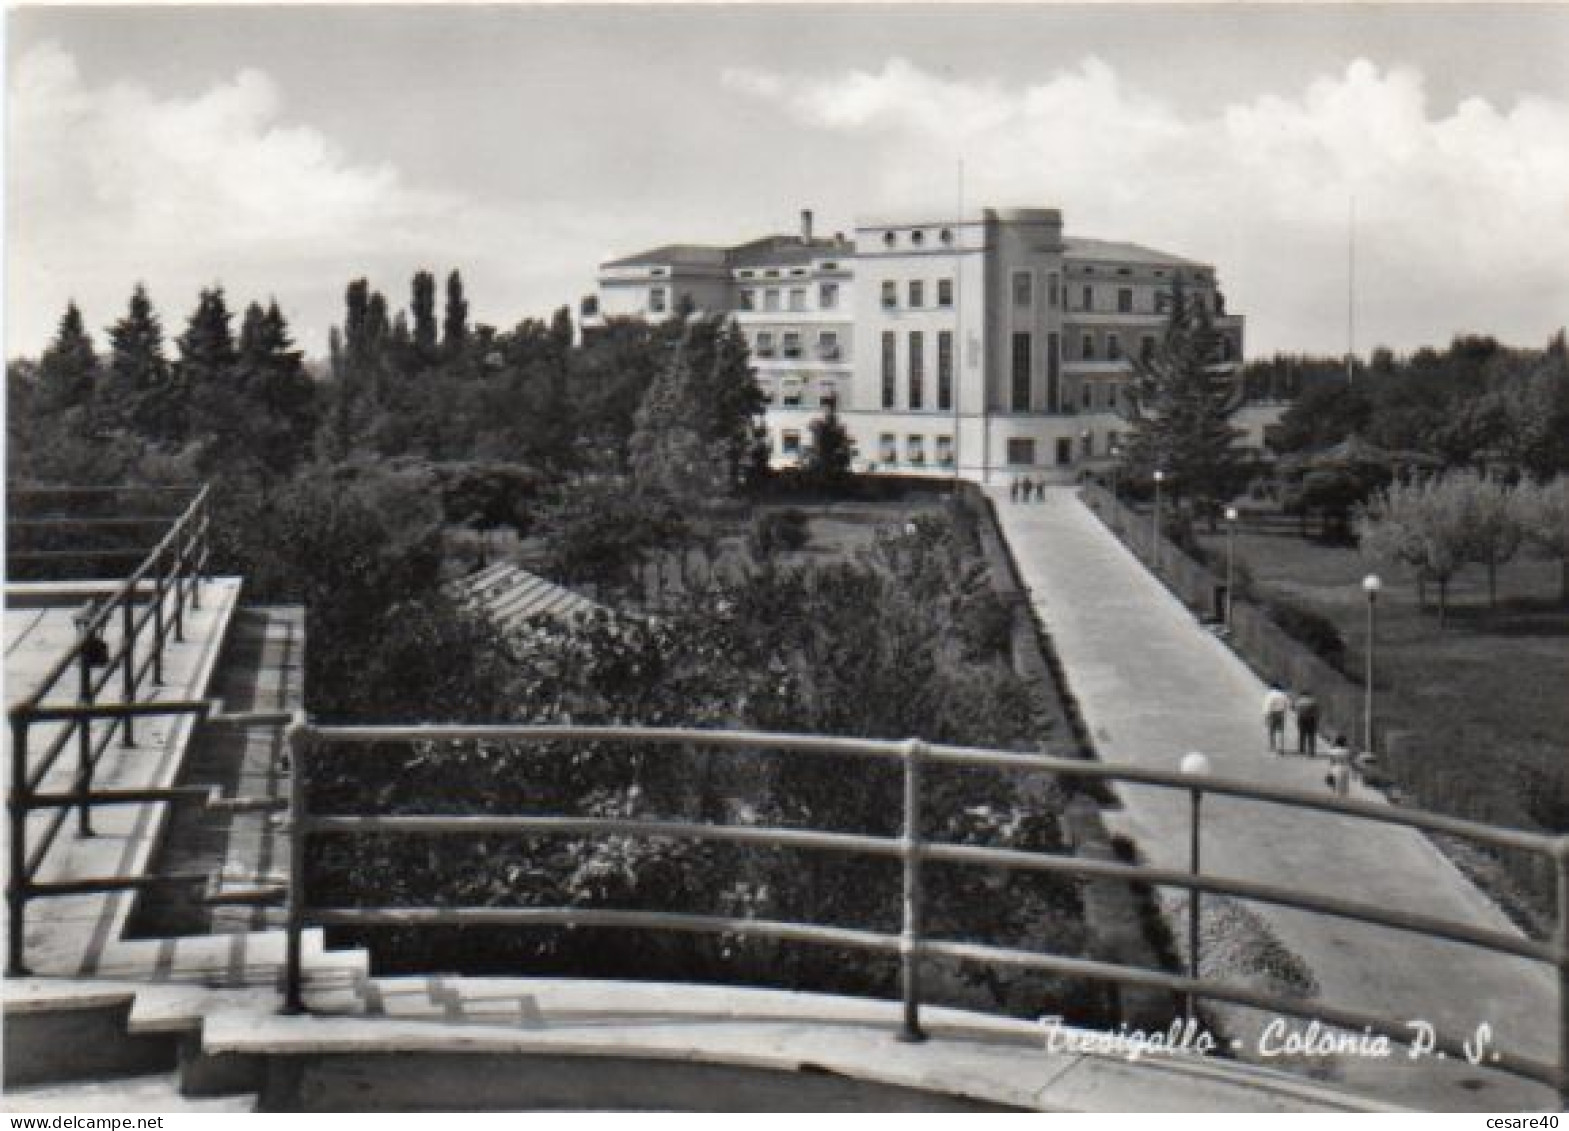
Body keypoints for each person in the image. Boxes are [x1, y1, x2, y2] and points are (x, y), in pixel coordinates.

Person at [1262, 683, 1290, 754]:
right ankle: (1281, 748)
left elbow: (1267, 705)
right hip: (1281, 714)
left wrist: (1266, 715)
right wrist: (1285, 714)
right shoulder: (1284, 695)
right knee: (1280, 732)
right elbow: (1287, 705)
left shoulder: (1270, 695)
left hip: (1272, 714)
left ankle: (1272, 746)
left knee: (1271, 731)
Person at [1294, 690, 1320, 757]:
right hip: (1311, 719)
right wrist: (1317, 719)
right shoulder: (1313, 701)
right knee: (1311, 736)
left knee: (1302, 735)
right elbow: (1317, 712)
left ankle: (1301, 749)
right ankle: (1311, 751)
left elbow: (1296, 710)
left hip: (1302, 719)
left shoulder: (1299, 701)